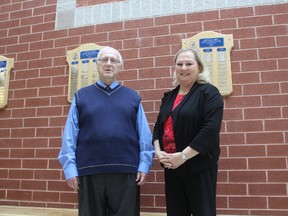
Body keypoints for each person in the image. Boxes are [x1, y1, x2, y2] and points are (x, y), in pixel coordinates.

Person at [58, 46, 154, 216]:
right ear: (97, 65)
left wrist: (144, 165)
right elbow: (69, 137)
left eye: (114, 60)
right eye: (104, 60)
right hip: (89, 171)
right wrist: (70, 169)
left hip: (126, 172)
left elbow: (144, 136)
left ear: (120, 67)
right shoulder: (81, 97)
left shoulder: (133, 98)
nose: (109, 64)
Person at [153, 47, 224, 216]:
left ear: (199, 67)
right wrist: (159, 153)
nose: (183, 68)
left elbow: (210, 130)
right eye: (180, 64)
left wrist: (183, 156)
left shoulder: (209, 93)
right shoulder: (169, 96)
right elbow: (158, 127)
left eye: (189, 64)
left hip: (198, 166)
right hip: (172, 166)